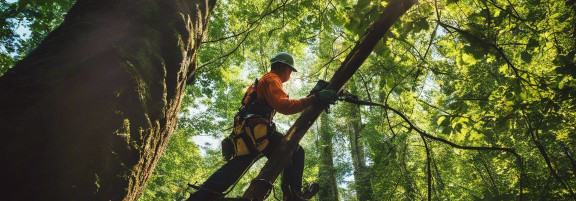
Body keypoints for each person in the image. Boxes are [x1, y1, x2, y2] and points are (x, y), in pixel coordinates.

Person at [187, 52, 337, 201]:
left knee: (239, 163)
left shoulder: (265, 81)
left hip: (248, 132)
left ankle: (204, 194)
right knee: (295, 151)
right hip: (257, 131)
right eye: (290, 70)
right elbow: (284, 106)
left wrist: (312, 97)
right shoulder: (272, 79)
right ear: (282, 67)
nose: (291, 74)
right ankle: (292, 195)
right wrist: (315, 98)